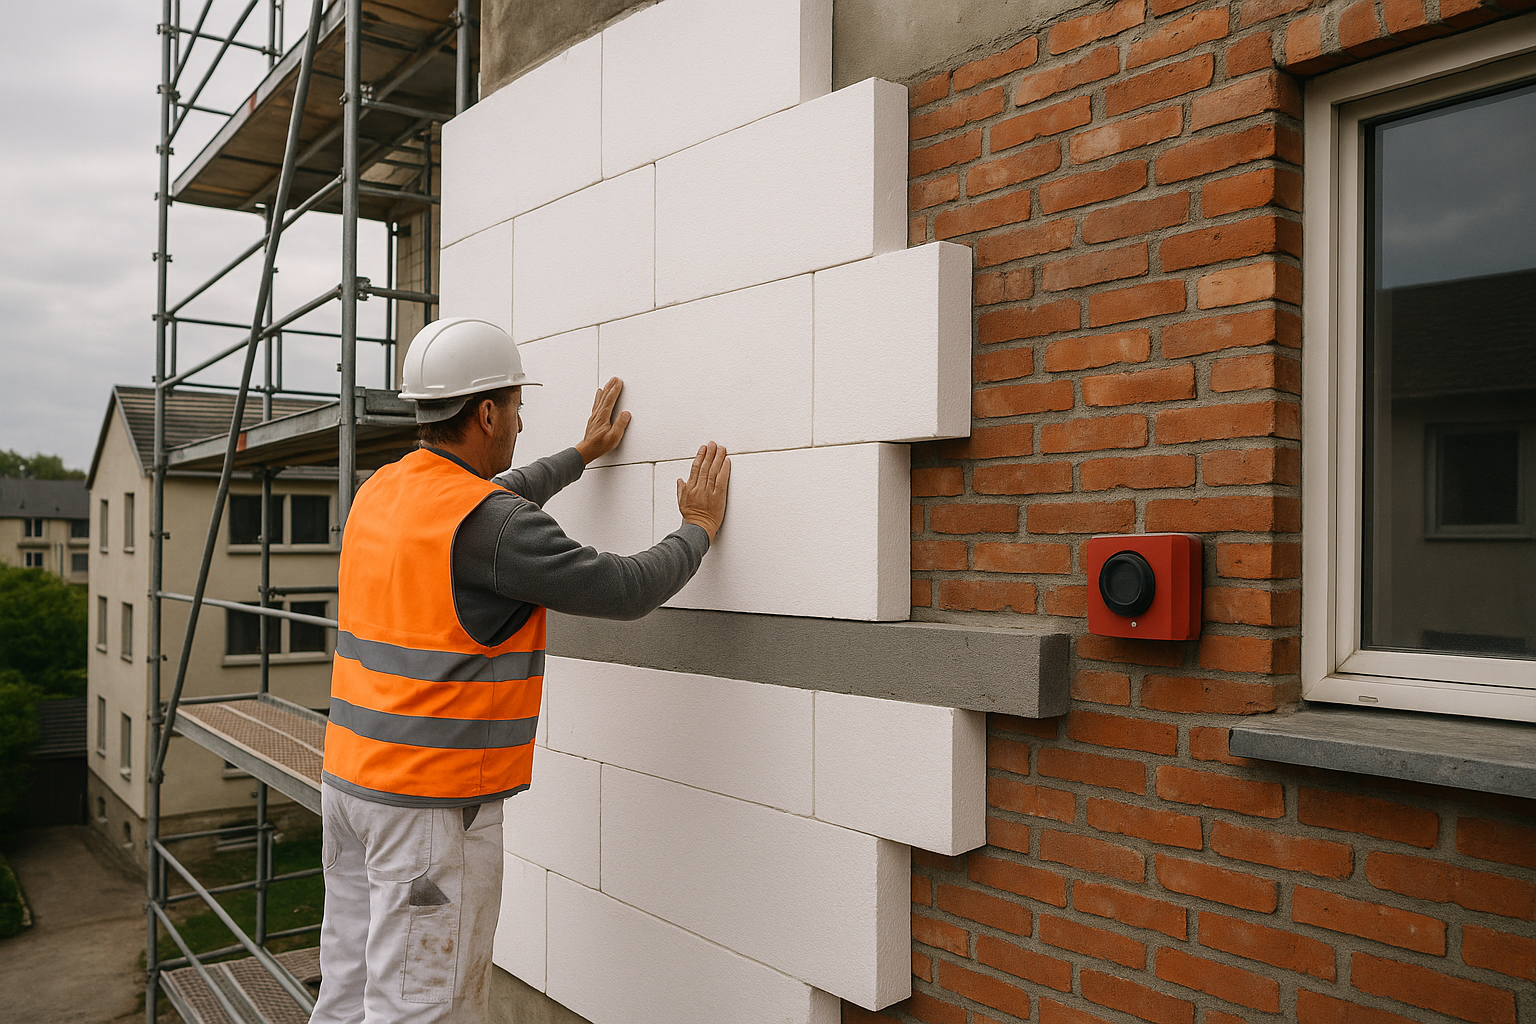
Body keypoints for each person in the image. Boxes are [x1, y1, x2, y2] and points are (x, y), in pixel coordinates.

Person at [309, 317, 730, 1023]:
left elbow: (498, 495)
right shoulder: (492, 525)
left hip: (350, 791)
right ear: (485, 413)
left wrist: (581, 454)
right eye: (514, 406)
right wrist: (699, 529)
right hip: (426, 815)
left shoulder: (382, 489)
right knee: (422, 1009)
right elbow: (625, 588)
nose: (520, 421)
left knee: (347, 996)